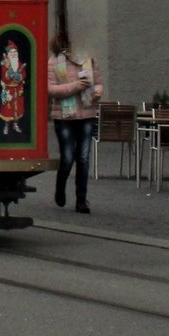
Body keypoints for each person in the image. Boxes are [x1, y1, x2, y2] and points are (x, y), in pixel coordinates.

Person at [47, 30, 103, 213]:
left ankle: (81, 200)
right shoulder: (54, 62)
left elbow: (98, 81)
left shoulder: (89, 59)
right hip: (64, 116)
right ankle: (60, 187)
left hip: (87, 113)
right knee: (68, 157)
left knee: (83, 158)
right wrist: (75, 87)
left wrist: (98, 92)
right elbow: (50, 90)